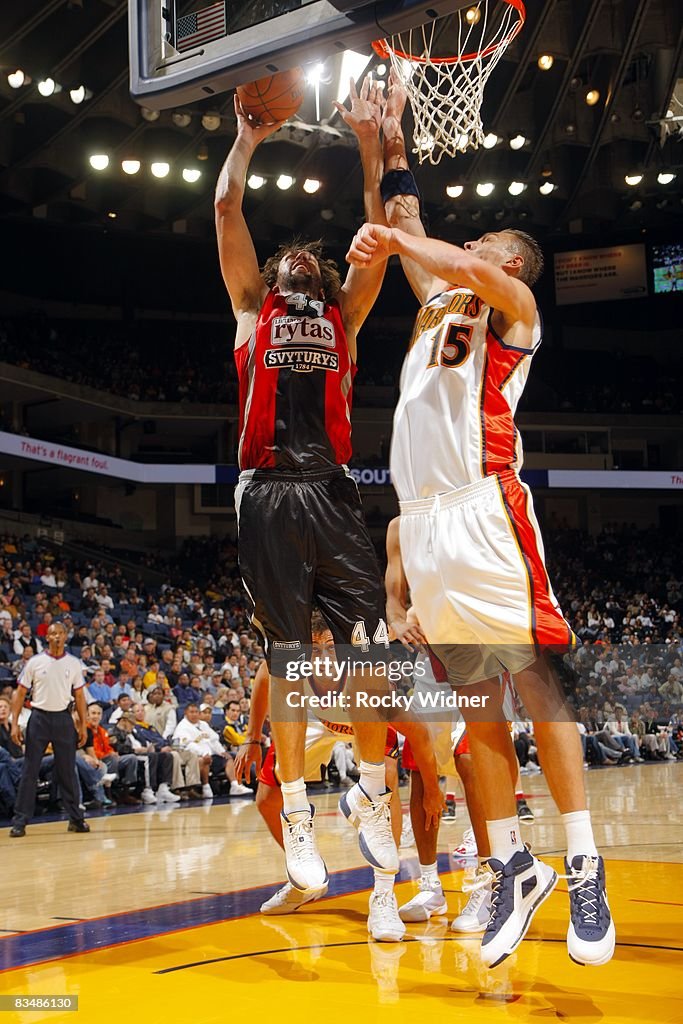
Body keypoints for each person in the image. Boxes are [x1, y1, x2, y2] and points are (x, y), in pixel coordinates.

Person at [344, 73, 615, 969]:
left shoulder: (515, 315)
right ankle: (510, 867)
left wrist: (413, 237)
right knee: (472, 707)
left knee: (532, 684)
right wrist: (382, 143)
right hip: (421, 525)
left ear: (512, 268)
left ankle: (581, 862)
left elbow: (435, 247)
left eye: (492, 244)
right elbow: (410, 221)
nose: (473, 247)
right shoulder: (437, 306)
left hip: (482, 509)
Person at [214, 74, 399, 897]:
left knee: (367, 655)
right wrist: (246, 140)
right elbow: (227, 212)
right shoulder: (253, 309)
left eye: (308, 259)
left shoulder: (343, 320)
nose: (295, 257)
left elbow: (380, 237)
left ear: (322, 281)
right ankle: (297, 815)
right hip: (265, 490)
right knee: (288, 660)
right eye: (285, 255)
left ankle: (369, 791)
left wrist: (369, 148)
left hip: (330, 489)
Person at [235, 613, 442, 940]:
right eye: (314, 649)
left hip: (359, 713)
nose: (323, 656)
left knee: (384, 781)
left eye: (331, 647)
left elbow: (419, 732)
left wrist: (432, 789)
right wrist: (252, 737)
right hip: (315, 717)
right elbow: (263, 676)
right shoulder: (294, 669)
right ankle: (304, 878)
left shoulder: (364, 678)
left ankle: (384, 895)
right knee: (267, 799)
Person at [8, 621, 90, 837]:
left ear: (65, 637)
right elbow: (20, 692)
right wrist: (14, 723)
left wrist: (83, 724)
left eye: (60, 633)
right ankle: (20, 821)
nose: (56, 637)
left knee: (68, 771)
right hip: (39, 718)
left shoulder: (73, 664)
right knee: (30, 771)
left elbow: (80, 696)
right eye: (53, 633)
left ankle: (76, 818)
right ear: (47, 637)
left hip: (63, 718)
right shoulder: (35, 662)